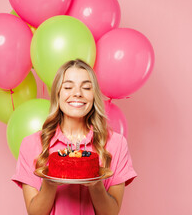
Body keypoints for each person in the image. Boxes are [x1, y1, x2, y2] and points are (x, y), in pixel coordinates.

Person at [12, 59, 137, 215]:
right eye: (68, 87)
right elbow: (35, 213)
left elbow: (111, 213)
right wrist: (50, 181)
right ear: (57, 94)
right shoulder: (32, 144)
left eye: (86, 87)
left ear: (94, 95)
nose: (77, 93)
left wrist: (95, 182)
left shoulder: (116, 144)